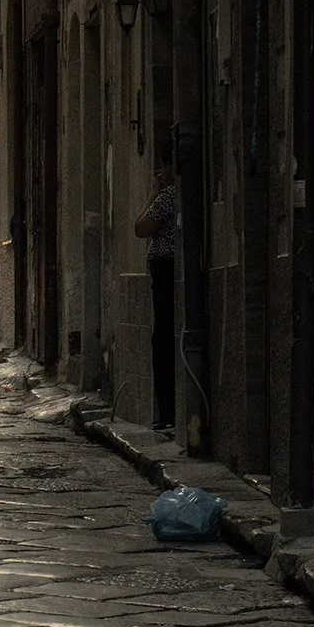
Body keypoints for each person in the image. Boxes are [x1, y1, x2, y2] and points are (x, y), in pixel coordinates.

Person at [134, 159, 178, 433]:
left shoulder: (167, 197)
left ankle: (167, 412)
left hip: (165, 272)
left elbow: (140, 228)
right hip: (165, 272)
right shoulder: (171, 196)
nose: (160, 174)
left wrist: (153, 194)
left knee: (162, 339)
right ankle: (167, 412)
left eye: (163, 169)